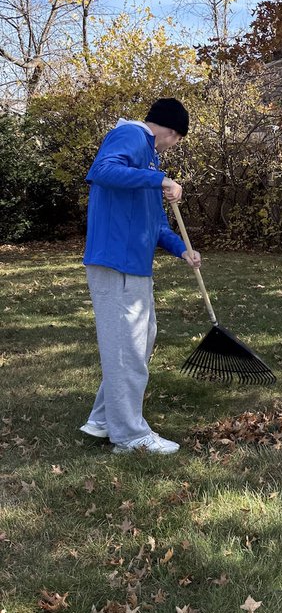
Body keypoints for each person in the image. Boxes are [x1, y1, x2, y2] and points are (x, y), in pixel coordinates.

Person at [80, 98, 201, 454]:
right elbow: (102, 170)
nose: (172, 146)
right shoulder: (131, 135)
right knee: (127, 348)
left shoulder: (149, 158)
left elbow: (156, 223)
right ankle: (129, 436)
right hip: (116, 260)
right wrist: (158, 179)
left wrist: (182, 249)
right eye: (177, 140)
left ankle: (103, 419)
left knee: (139, 342)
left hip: (134, 264)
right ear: (171, 131)